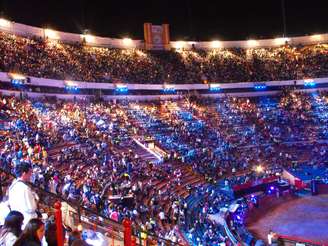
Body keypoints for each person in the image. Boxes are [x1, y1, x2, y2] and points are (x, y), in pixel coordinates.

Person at [8, 163, 39, 227]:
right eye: (30, 172)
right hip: (28, 221)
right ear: (24, 173)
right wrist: (36, 200)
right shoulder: (24, 188)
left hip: (18, 220)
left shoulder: (12, 186)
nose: (31, 175)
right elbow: (31, 208)